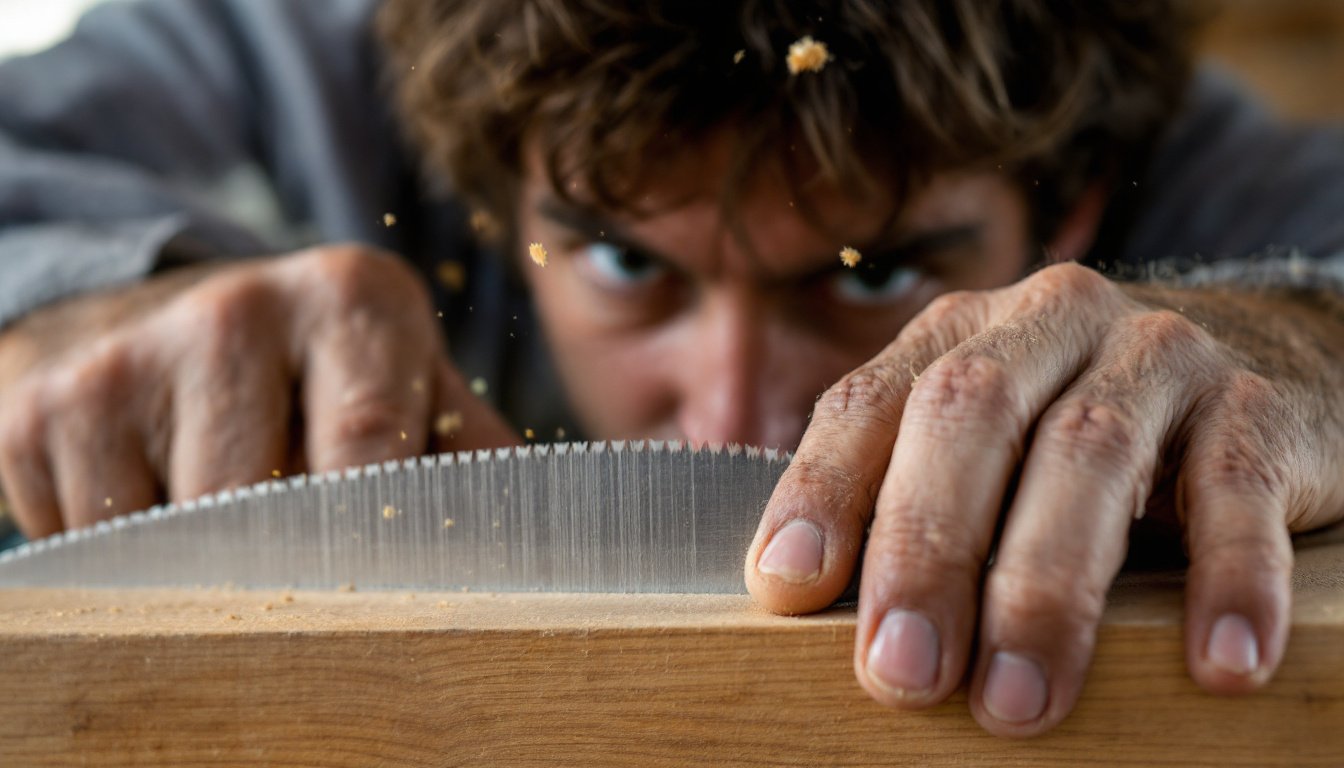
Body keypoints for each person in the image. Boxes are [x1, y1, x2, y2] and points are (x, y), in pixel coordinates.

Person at [1, 0, 1343, 739]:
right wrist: (61, 312)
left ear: (1075, 205)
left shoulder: (1167, 146)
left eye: (870, 274)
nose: (739, 412)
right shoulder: (284, 60)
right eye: (627, 267)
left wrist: (1302, 342)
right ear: (482, 186)